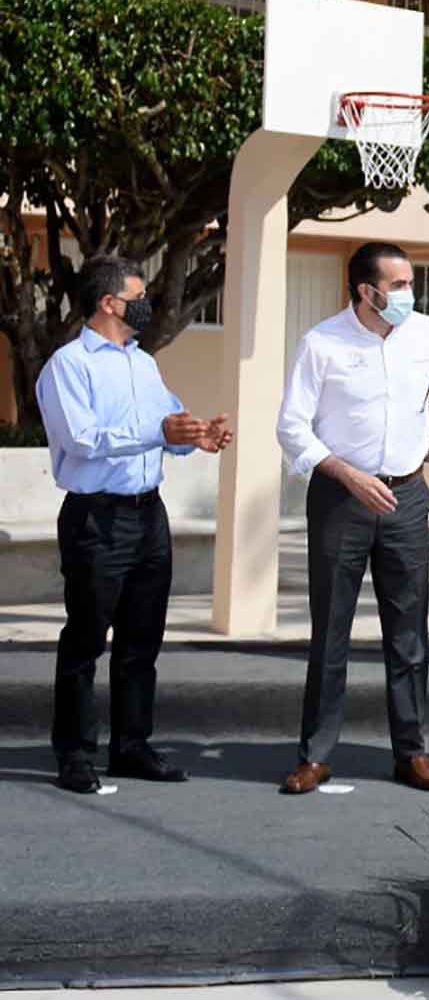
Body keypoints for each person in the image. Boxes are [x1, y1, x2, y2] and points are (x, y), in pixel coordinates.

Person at [275, 242, 429, 795]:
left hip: (407, 498)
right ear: (365, 291)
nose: (408, 294)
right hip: (340, 499)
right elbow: (292, 428)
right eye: (397, 286)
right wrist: (347, 475)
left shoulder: (425, 332)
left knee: (408, 634)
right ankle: (316, 755)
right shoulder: (322, 342)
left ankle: (411, 752)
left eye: (409, 283)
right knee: (331, 632)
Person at [39, 258, 233, 794]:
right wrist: (159, 429)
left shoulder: (143, 363)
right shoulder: (68, 364)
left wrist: (193, 434)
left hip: (149, 513)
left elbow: (164, 423)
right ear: (108, 303)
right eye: (137, 295)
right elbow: (82, 438)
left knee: (141, 640)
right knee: (85, 640)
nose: (146, 303)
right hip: (96, 517)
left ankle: (130, 746)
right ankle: (75, 753)